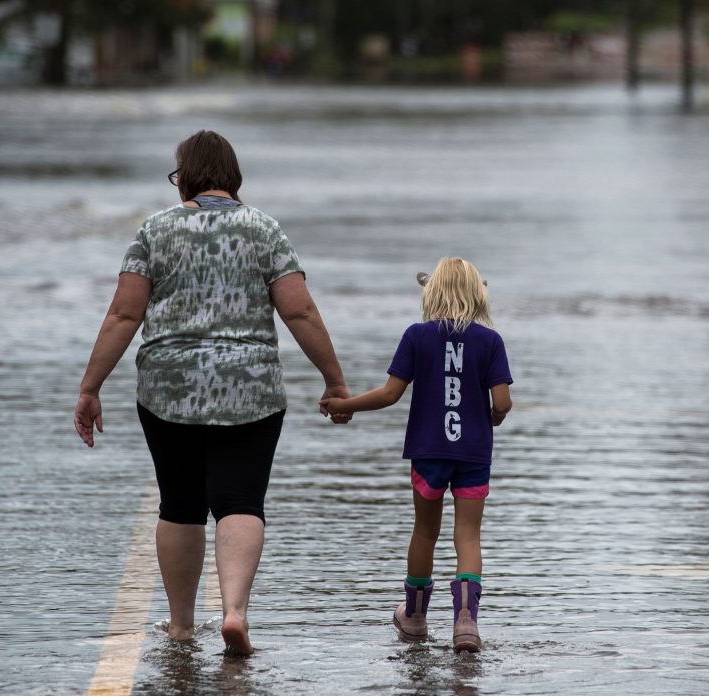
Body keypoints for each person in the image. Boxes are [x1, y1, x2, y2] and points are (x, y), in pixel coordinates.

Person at [74, 130, 350, 656]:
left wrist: (91, 387)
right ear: (233, 176)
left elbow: (124, 315)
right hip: (251, 389)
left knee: (180, 504)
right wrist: (333, 380)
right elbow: (299, 311)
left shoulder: (155, 230)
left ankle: (180, 627)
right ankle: (234, 613)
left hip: (168, 389)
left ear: (187, 178)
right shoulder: (264, 229)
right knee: (241, 500)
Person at [320, 257, 512, 653]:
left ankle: (415, 618)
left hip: (428, 452)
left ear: (431, 293)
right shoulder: (490, 341)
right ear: (478, 295)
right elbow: (504, 402)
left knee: (425, 531)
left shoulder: (416, 336)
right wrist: (493, 415)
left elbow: (390, 394)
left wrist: (347, 404)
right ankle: (465, 625)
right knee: (469, 536)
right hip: (473, 452)